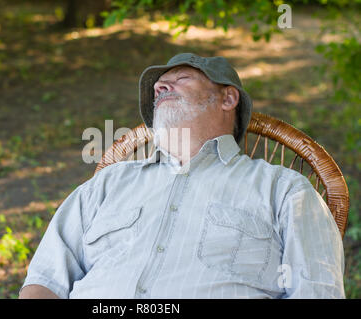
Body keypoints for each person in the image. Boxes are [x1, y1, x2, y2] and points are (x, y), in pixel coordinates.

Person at [19, 53, 345, 299]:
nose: (161, 87)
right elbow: (44, 281)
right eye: (161, 87)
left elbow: (317, 288)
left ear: (227, 98)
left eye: (182, 79)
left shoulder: (284, 190)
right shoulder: (108, 184)